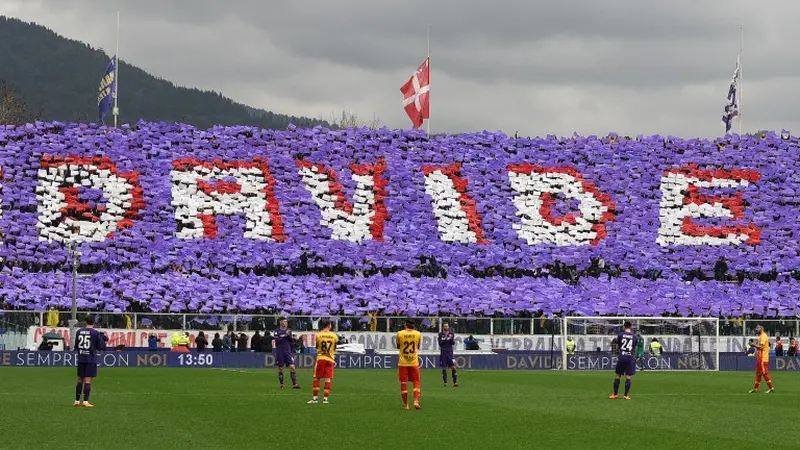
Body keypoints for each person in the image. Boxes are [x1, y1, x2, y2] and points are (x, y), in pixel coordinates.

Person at [73, 315, 105, 408]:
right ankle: (86, 401)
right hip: (90, 358)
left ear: (86, 322)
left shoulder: (79, 331)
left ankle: (76, 400)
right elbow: (99, 347)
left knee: (80, 379)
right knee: (88, 380)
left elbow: (76, 345)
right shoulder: (95, 333)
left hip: (81, 358)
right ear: (94, 322)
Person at [308, 319, 338, 404]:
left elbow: (317, 347)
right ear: (329, 326)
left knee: (316, 377)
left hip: (321, 358)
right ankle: (325, 399)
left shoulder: (318, 335)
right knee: (328, 379)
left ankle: (315, 399)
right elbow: (335, 347)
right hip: (330, 359)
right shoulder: (334, 336)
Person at [397, 319, 422, 410]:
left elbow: (398, 346)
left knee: (403, 383)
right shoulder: (418, 334)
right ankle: (416, 401)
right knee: (416, 382)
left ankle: (406, 405)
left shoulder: (400, 333)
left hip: (403, 362)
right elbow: (418, 347)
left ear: (405, 325)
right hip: (414, 362)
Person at [609, 321, 637, 400]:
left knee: (618, 375)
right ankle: (626, 395)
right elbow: (634, 346)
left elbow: (619, 344)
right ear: (631, 327)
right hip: (630, 357)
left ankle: (615, 394)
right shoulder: (634, 336)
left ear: (624, 327)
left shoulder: (620, 335)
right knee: (628, 376)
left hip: (622, 356)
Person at [274, 317, 300, 389]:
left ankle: (294, 384)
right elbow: (277, 341)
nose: (285, 323)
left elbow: (290, 341)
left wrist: (290, 337)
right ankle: (281, 384)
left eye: (286, 322)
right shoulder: (276, 331)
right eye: (284, 322)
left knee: (292, 367)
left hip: (287, 351)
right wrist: (284, 335)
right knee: (281, 368)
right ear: (280, 322)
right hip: (280, 351)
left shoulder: (288, 330)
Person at [749, 324, 774, 394]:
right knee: (758, 373)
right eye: (756, 328)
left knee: (764, 373)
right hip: (760, 358)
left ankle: (771, 387)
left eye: (758, 328)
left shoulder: (763, 336)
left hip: (763, 358)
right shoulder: (761, 336)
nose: (756, 329)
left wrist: (753, 345)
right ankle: (755, 388)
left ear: (762, 328)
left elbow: (762, 348)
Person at [438, 322, 458, 387]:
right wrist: (445, 338)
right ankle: (445, 383)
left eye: (447, 326)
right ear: (443, 327)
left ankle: (455, 383)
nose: (446, 327)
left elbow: (453, 343)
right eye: (445, 326)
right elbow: (440, 344)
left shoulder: (451, 334)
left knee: (454, 367)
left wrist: (451, 338)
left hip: (450, 352)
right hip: (443, 352)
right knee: (444, 368)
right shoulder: (440, 334)